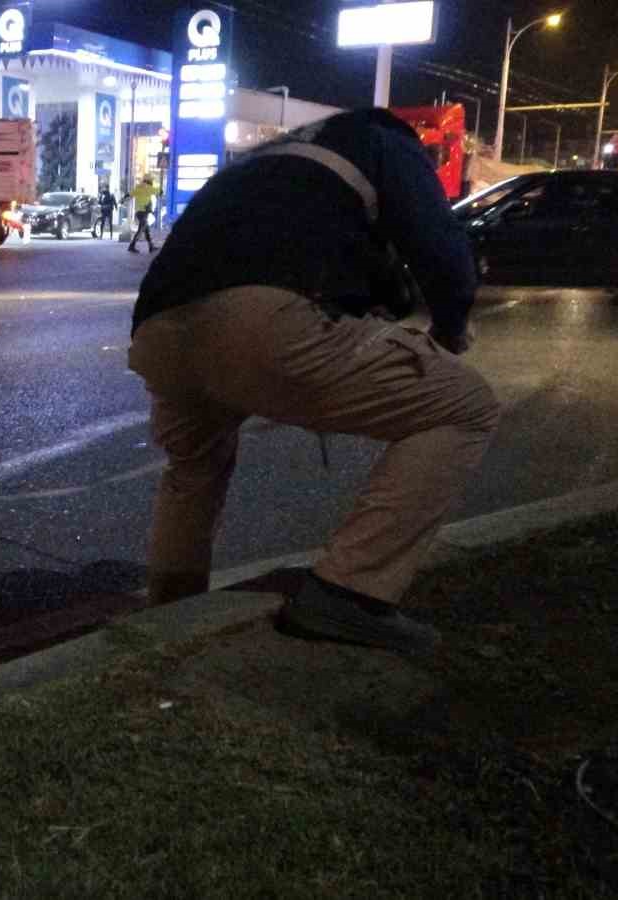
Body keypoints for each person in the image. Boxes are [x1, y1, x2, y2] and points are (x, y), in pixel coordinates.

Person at [127, 108, 500, 653]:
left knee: (194, 467)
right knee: (465, 406)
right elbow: (438, 245)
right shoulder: (384, 143)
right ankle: (349, 593)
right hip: (265, 316)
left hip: (158, 329)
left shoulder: (263, 164)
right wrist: (451, 322)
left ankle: (172, 612)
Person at [126, 174, 160, 253]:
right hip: (144, 212)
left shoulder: (138, 187)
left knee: (146, 230)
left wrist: (123, 199)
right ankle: (132, 246)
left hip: (138, 212)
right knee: (140, 230)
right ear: (149, 181)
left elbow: (129, 194)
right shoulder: (149, 188)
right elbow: (159, 191)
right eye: (151, 180)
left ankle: (151, 246)